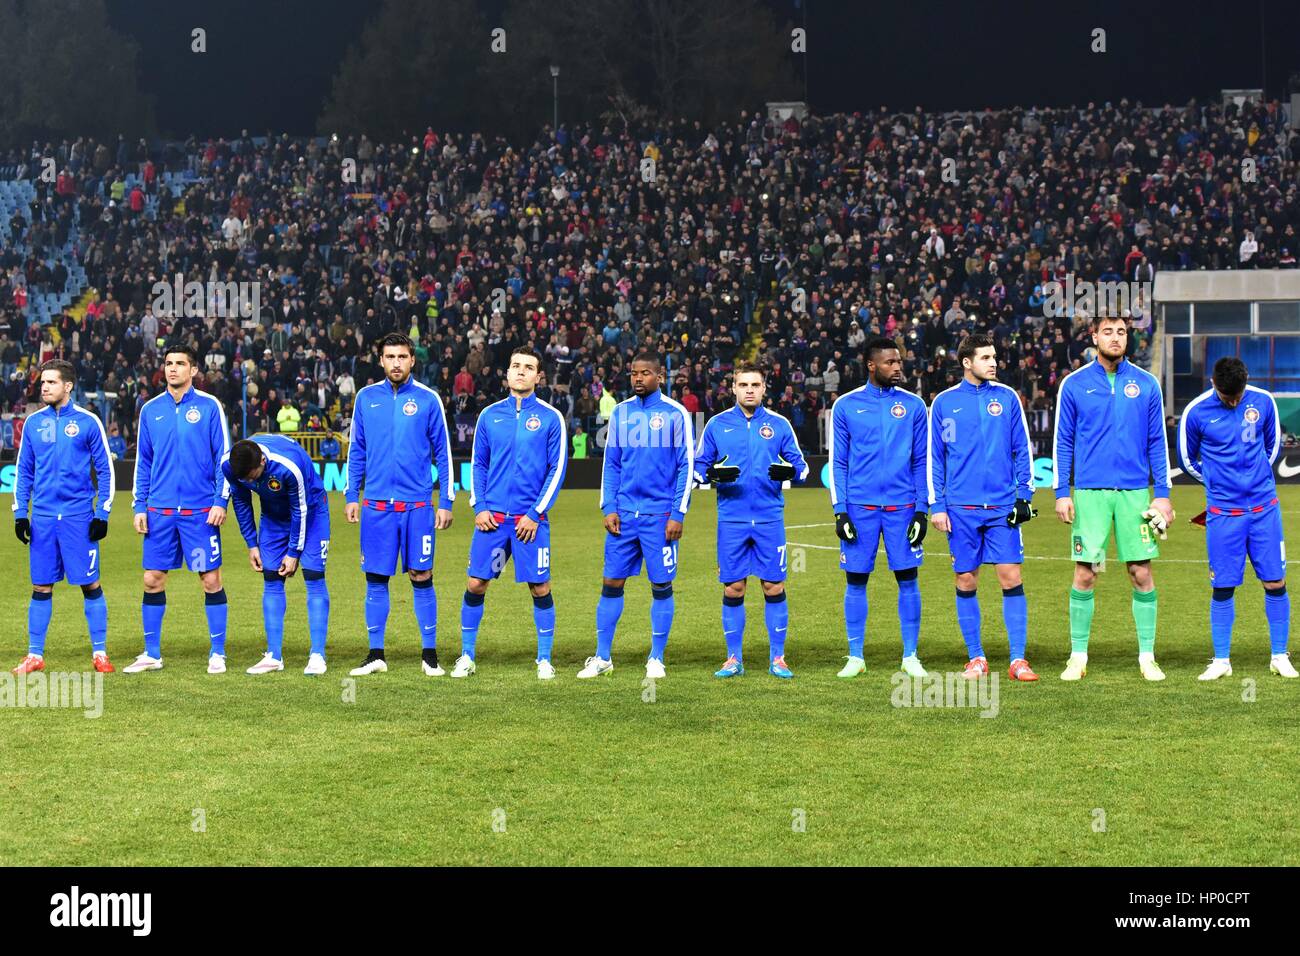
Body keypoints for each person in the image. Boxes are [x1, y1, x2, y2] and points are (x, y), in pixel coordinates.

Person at [1053, 314, 1174, 681]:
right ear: (1095, 337)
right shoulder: (1074, 385)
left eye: (1121, 332)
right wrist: (1062, 492)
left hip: (1136, 493)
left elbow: (1157, 441)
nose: (1116, 338)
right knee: (1085, 573)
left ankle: (1147, 657)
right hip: (1089, 492)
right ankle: (1077, 656)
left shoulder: (1146, 384)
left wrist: (1163, 495)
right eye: (1108, 331)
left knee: (1140, 572)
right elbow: (1063, 441)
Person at [928, 334, 1039, 682]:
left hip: (1002, 506)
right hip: (960, 508)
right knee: (965, 578)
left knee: (1011, 577)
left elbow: (1023, 449)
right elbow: (936, 457)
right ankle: (976, 657)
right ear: (966, 362)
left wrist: (1024, 497)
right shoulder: (945, 404)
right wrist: (938, 504)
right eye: (986, 357)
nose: (994, 363)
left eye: (994, 357)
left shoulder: (1006, 399)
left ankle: (1018, 660)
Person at [1178, 357, 1296, 680]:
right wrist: (1218, 482)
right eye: (1227, 396)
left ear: (1246, 381)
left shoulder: (1263, 401)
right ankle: (1221, 661)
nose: (1234, 401)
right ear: (1214, 384)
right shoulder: (1196, 412)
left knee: (1275, 581)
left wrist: (1256, 478)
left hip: (1263, 510)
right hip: (1223, 514)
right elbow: (1187, 459)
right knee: (1223, 585)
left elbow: (1272, 447)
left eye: (1238, 395)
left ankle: (1279, 656)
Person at [344, 332, 455, 677]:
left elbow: (444, 453)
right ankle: (376, 654)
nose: (396, 363)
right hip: (376, 506)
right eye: (390, 357)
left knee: (421, 575)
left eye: (402, 357)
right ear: (381, 360)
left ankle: (430, 655)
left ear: (412, 360)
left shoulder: (427, 399)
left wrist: (447, 500)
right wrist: (352, 495)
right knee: (376, 577)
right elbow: (357, 450)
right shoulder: (366, 398)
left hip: (417, 506)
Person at [578, 352, 693, 679]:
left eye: (645, 373)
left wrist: (678, 513)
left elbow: (687, 465)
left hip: (660, 517)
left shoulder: (676, 414)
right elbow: (611, 464)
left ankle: (656, 657)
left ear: (660, 376)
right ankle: (602, 658)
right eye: (634, 373)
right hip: (625, 516)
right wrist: (609, 507)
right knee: (611, 582)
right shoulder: (621, 412)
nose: (638, 378)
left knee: (661, 584)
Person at [455, 347, 567, 679]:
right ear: (507, 373)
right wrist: (480, 506)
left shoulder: (550, 417)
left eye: (528, 367)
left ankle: (544, 659)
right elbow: (479, 463)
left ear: (538, 376)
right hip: (494, 525)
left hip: (528, 525)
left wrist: (535, 513)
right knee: (477, 583)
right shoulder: (490, 416)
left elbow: (556, 469)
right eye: (515, 365)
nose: (520, 371)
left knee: (539, 587)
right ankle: (466, 656)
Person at [693, 361, 808, 679]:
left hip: (770, 519)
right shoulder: (717, 425)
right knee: (734, 588)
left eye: (755, 385)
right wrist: (711, 473)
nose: (749, 390)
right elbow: (698, 465)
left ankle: (778, 658)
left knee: (773, 586)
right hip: (732, 519)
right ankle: (733, 658)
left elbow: (803, 466)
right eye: (743, 385)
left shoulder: (779, 424)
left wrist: (792, 472)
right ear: (733, 388)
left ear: (763, 389)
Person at [124, 344, 232, 674]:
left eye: (180, 364)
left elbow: (223, 458)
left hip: (199, 513)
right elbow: (144, 461)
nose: (173, 369)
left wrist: (219, 501)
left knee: (210, 579)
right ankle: (152, 653)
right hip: (160, 512)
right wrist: (140, 504)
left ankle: (217, 653)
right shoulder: (151, 410)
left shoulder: (210, 406)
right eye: (169, 363)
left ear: (193, 370)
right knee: (152, 579)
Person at [829, 336, 929, 678]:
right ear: (871, 365)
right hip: (860, 506)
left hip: (903, 506)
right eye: (890, 362)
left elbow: (921, 461)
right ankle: (855, 656)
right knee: (856, 580)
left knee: (908, 578)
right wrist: (840, 510)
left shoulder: (914, 406)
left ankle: (910, 656)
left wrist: (922, 509)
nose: (897, 367)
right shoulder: (846, 405)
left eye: (899, 361)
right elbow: (838, 462)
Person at [10, 360, 115, 675]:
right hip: (42, 518)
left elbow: (106, 471)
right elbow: (24, 472)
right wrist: (20, 514)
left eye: (51, 383)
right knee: (41, 586)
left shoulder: (88, 422)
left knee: (90, 584)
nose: (44, 387)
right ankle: (34, 656)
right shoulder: (32, 423)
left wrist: (102, 513)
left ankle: (100, 654)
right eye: (43, 383)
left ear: (68, 386)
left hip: (78, 517)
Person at [223, 436, 332, 676]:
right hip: (273, 518)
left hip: (311, 512)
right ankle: (274, 655)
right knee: (271, 578)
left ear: (263, 460)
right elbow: (241, 503)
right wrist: (252, 544)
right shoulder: (230, 465)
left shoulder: (288, 467)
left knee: (313, 577)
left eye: (253, 476)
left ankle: (317, 655)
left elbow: (300, 510)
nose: (251, 481)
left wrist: (294, 552)